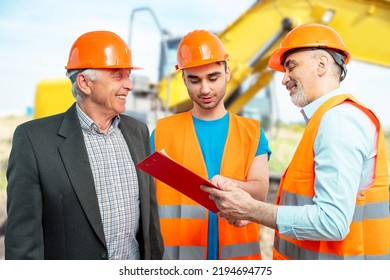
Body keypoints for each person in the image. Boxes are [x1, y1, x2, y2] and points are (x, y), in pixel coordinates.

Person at [201, 23, 390, 260]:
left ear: (321, 64)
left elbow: (332, 222)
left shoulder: (338, 120)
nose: (284, 79)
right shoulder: (328, 119)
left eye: (290, 67)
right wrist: (250, 212)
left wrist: (252, 209)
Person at [5, 30, 164, 260]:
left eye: (128, 75)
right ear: (85, 83)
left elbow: (149, 223)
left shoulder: (138, 132)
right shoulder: (33, 141)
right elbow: (23, 244)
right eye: (118, 76)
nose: (129, 85)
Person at [151, 29, 271, 260]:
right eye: (194, 80)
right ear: (183, 78)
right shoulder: (162, 132)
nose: (204, 89)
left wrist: (230, 185)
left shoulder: (252, 132)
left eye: (213, 77)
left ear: (227, 72)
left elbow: (260, 191)